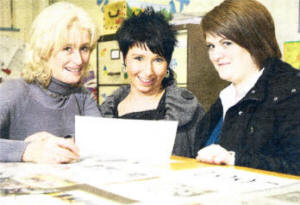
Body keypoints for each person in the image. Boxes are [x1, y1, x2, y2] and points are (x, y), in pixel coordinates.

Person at [194, 0, 300, 175]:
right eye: (211, 46)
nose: (216, 55)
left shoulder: (291, 92)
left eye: (226, 43)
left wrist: (234, 159)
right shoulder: (226, 97)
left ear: (254, 41)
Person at [0, 2, 101, 163]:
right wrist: (28, 150)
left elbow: (100, 143)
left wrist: (65, 144)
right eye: (67, 48)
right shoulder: (13, 91)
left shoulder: (83, 97)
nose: (79, 60)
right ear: (44, 50)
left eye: (84, 48)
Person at [99, 7, 205, 157]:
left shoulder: (189, 110)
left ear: (167, 63)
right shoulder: (105, 112)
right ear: (124, 59)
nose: (148, 71)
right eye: (138, 58)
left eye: (158, 60)